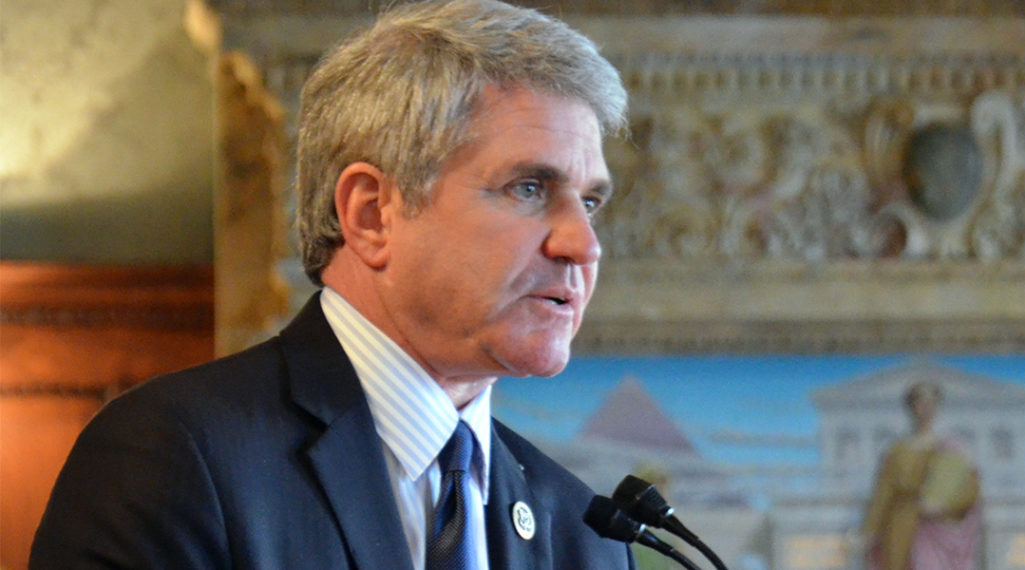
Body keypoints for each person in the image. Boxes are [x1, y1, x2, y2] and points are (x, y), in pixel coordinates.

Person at [29, 1, 633, 568]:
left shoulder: (586, 534)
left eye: (589, 202)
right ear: (371, 215)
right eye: (528, 189)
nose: (583, 246)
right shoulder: (173, 456)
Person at [860, 382, 982, 570]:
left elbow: (969, 490)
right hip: (901, 526)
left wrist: (943, 507)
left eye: (931, 403)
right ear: (911, 407)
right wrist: (869, 532)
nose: (925, 409)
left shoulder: (951, 447)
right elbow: (883, 494)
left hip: (938, 528)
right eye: (920, 403)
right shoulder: (897, 451)